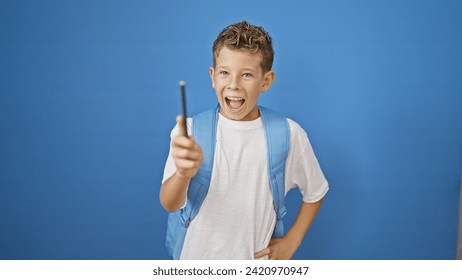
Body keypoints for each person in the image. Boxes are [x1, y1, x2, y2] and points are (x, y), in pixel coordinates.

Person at [160, 21, 328, 260]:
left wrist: (292, 240)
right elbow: (170, 203)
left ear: (266, 81)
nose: (234, 84)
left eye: (247, 74)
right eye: (224, 72)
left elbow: (316, 190)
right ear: (213, 76)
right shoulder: (189, 132)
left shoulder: (289, 134)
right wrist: (183, 173)